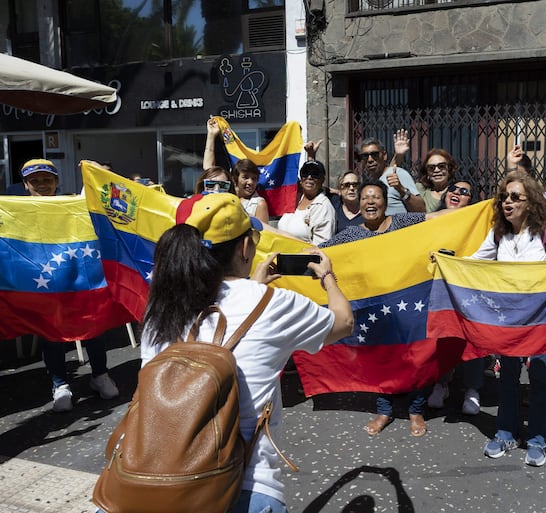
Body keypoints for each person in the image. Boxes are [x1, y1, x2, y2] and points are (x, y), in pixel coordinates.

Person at [139, 192, 353, 513]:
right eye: (253, 236)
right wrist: (328, 278)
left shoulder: (162, 304)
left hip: (154, 478)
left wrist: (252, 284)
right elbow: (343, 322)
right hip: (244, 484)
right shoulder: (269, 303)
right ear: (244, 247)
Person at [474, 171, 546, 467]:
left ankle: (538, 438)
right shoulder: (498, 234)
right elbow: (475, 263)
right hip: (510, 319)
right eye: (504, 197)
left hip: (545, 319)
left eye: (515, 197)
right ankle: (505, 432)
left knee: (540, 378)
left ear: (531, 202)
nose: (507, 202)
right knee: (508, 376)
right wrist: (446, 263)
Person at [320, 180, 432, 437]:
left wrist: (478, 210)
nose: (370, 202)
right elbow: (318, 252)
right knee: (379, 357)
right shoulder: (350, 235)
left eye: (376, 197)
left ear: (385, 202)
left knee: (416, 355)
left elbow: (437, 219)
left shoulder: (404, 222)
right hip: (375, 308)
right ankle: (384, 410)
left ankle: (416, 410)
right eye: (365, 198)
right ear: (359, 205)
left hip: (408, 303)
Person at [18, 159, 119, 411]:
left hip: (77, 277)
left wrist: (95, 172)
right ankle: (60, 384)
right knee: (51, 332)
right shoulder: (15, 212)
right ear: (26, 184)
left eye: (47, 179)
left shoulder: (72, 204)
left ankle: (100, 375)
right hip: (42, 282)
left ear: (56, 182)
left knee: (92, 325)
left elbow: (100, 202)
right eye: (35, 181)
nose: (42, 185)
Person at [427, 178, 485, 415]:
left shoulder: (478, 224)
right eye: (453, 189)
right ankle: (441, 383)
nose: (457, 193)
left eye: (465, 192)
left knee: (473, 337)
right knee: (443, 334)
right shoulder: (433, 219)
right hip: (439, 287)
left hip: (470, 288)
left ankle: (472, 389)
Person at [204, 117, 269, 223]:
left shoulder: (258, 204)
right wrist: (211, 135)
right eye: (245, 177)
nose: (250, 182)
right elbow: (208, 170)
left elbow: (264, 235)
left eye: (254, 178)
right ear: (234, 179)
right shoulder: (225, 193)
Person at [357, 137, 425, 214]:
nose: (370, 160)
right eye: (365, 156)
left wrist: (401, 189)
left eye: (374, 154)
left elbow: (422, 209)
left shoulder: (398, 174)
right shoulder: (369, 182)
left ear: (384, 155)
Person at [277, 160, 335, 245]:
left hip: (302, 257)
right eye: (305, 173)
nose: (309, 177)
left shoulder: (323, 207)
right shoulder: (293, 200)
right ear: (301, 179)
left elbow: (321, 248)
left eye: (315, 174)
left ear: (322, 180)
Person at [415, 149, 457, 213]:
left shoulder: (457, 192)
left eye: (441, 166)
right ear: (427, 172)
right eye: (431, 168)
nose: (436, 170)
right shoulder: (420, 189)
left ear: (449, 169)